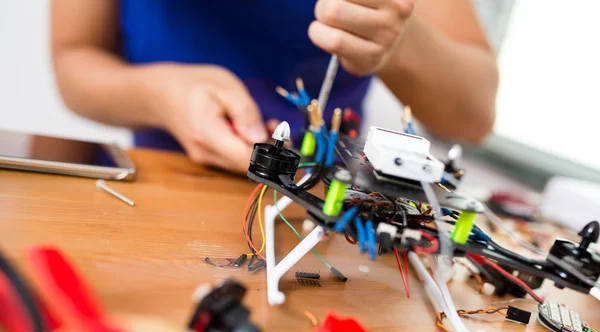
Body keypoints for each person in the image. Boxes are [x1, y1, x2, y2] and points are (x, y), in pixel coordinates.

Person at [51, 0, 498, 173]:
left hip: (324, 211)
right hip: (159, 190)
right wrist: (159, 95)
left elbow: (473, 116)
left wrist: (398, 40)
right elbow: (73, 57)